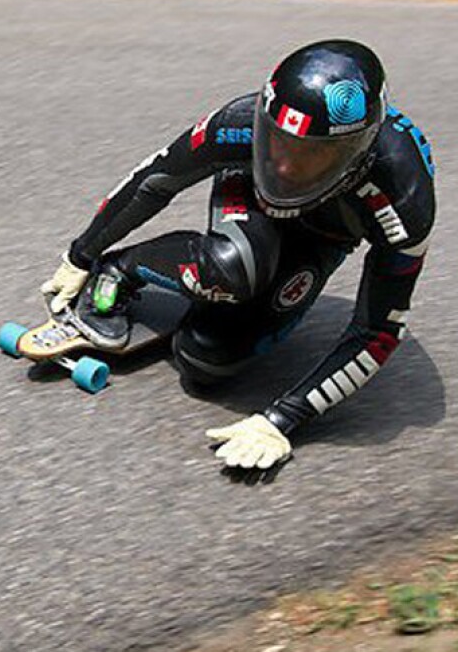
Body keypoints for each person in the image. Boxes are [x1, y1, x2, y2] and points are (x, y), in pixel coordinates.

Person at [40, 39, 436, 477]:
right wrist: (82, 254)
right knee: (235, 266)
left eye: (312, 155)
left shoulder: (404, 199)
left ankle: (211, 283)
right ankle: (124, 269)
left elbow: (378, 330)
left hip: (325, 236)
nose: (284, 167)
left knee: (206, 362)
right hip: (248, 196)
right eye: (278, 142)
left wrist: (283, 419)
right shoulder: (242, 121)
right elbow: (155, 179)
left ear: (357, 152)